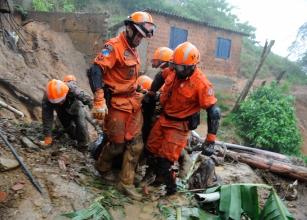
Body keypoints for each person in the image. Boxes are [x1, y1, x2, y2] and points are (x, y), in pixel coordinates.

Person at [87, 11, 156, 200]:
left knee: (136, 146)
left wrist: (140, 89)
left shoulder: (133, 48)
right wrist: (99, 99)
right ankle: (102, 167)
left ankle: (126, 183)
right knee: (117, 146)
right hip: (117, 105)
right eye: (139, 35)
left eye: (143, 36)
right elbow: (96, 70)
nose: (141, 39)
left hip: (132, 103)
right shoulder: (114, 47)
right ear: (129, 28)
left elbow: (127, 76)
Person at [145, 42, 221, 195]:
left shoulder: (201, 84)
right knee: (150, 150)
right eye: (175, 66)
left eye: (180, 68)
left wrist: (210, 140)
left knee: (165, 161)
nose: (176, 70)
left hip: (179, 126)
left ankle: (171, 189)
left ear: (191, 66)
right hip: (164, 118)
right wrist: (151, 93)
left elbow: (214, 111)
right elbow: (161, 75)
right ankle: (154, 177)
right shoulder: (174, 69)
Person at [41, 78, 92, 150]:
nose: (60, 103)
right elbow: (47, 118)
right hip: (61, 111)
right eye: (57, 102)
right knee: (68, 127)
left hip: (76, 106)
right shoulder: (47, 99)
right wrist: (47, 137)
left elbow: (87, 98)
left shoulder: (72, 88)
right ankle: (74, 139)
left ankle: (83, 146)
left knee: (81, 125)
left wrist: (95, 109)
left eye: (61, 100)